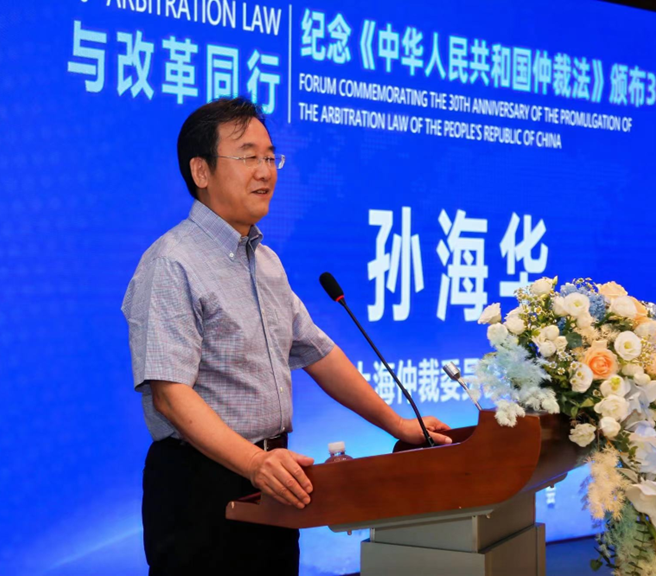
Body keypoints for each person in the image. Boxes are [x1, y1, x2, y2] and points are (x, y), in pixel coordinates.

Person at [121, 97, 452, 576]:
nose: (265, 171)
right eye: (248, 157)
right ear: (201, 171)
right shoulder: (172, 263)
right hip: (203, 486)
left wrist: (397, 425)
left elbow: (319, 353)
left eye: (271, 157)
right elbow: (170, 396)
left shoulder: (266, 262)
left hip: (275, 476)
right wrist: (254, 464)